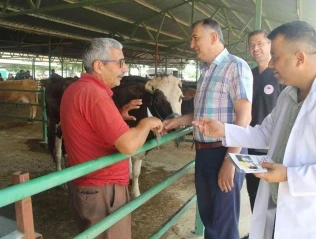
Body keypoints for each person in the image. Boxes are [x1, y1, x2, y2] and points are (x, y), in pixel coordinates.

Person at [192, 21, 316, 239]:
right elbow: (263, 134)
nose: (271, 64)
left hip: (313, 221)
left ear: (299, 58)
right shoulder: (288, 95)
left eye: (276, 57)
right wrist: (224, 130)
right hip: (276, 210)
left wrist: (290, 175)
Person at [60, 38, 163, 239]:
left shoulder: (76, 88)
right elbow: (129, 145)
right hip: (104, 189)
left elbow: (87, 125)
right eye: (120, 62)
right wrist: (147, 123)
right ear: (99, 66)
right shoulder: (95, 94)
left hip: (85, 185)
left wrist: (116, 115)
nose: (124, 68)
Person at [162, 18, 253, 239]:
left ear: (213, 37)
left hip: (224, 151)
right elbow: (201, 115)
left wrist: (230, 162)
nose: (191, 45)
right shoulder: (206, 72)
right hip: (204, 153)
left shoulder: (235, 66)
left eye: (195, 38)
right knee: (209, 217)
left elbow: (245, 117)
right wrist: (176, 121)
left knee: (223, 222)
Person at [246, 30, 284, 215]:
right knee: (253, 192)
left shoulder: (280, 75)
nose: (256, 48)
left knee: (275, 198)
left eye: (260, 43)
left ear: (270, 45)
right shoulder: (247, 75)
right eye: (252, 45)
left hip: (275, 147)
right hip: (250, 147)